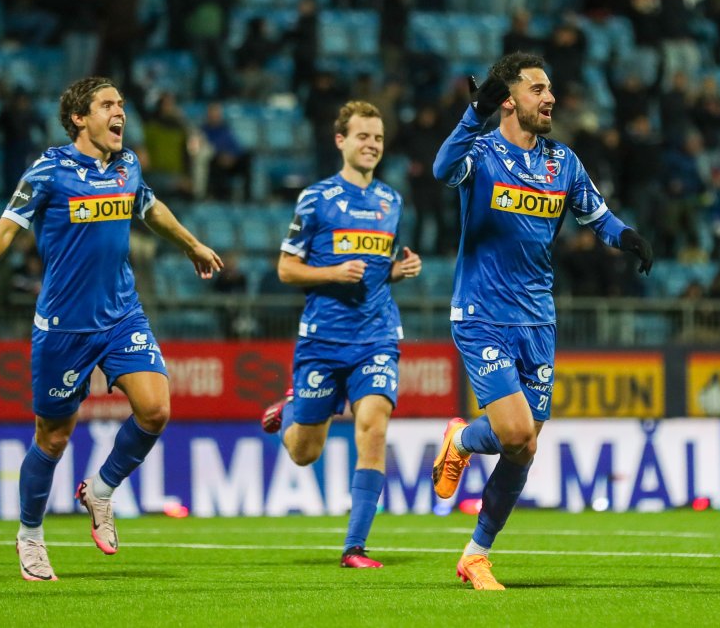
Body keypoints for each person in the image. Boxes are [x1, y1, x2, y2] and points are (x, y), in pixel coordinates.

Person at [0, 77, 224, 581]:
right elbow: (5, 228)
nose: (120, 112)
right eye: (108, 105)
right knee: (53, 437)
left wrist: (190, 244)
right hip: (64, 327)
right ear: (80, 118)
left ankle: (99, 490)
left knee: (157, 408)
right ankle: (30, 536)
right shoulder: (49, 171)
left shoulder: (127, 165)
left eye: (121, 104)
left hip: (122, 316)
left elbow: (150, 208)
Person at [430, 52, 653, 590]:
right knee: (514, 430)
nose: (549, 97)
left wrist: (626, 238)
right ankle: (461, 442)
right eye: (536, 88)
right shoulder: (481, 153)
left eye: (549, 88)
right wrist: (472, 116)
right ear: (509, 99)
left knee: (525, 447)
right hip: (483, 314)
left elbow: (596, 216)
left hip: (539, 321)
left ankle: (476, 555)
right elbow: (441, 170)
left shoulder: (563, 162)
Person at [259, 100, 422, 569]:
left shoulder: (391, 201)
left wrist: (396, 270)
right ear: (341, 141)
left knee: (373, 426)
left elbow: (371, 273)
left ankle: (355, 547)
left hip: (376, 335)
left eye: (377, 138)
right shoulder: (316, 199)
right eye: (362, 136)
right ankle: (290, 408)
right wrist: (331, 273)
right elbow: (287, 270)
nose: (371, 145)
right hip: (323, 340)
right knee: (304, 452)